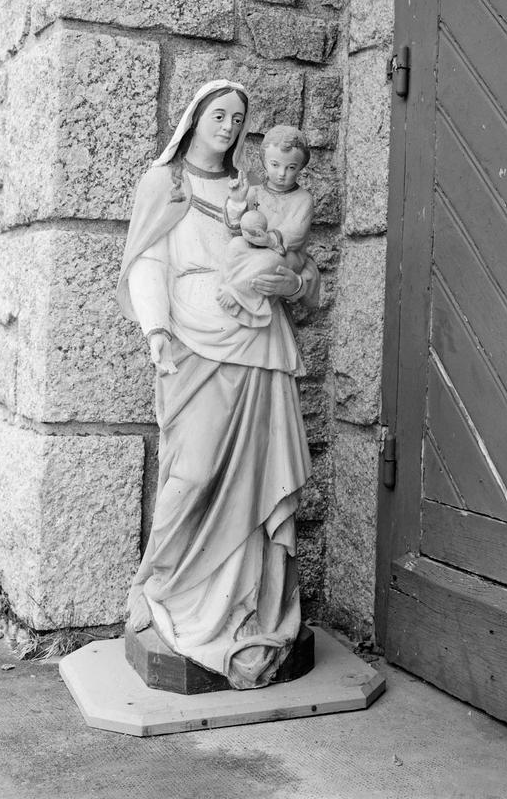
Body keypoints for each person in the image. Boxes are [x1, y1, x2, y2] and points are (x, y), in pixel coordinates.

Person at [116, 80, 319, 690]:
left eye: (238, 118)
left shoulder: (246, 190)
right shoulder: (165, 183)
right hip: (192, 339)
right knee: (195, 471)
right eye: (218, 114)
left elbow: (299, 266)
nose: (229, 126)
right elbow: (149, 261)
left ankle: (248, 601)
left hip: (256, 339)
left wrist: (296, 283)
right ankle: (161, 584)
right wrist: (155, 332)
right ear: (194, 117)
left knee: (259, 469)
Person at [217, 125, 315, 328]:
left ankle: (235, 292)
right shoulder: (254, 192)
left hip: (285, 254)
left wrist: (270, 239)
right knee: (235, 245)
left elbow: (296, 231)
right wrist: (237, 202)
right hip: (254, 246)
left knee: (269, 260)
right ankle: (236, 295)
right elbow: (235, 229)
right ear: (264, 162)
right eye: (275, 165)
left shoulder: (303, 199)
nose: (282, 174)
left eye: (291, 167)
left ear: (300, 167)